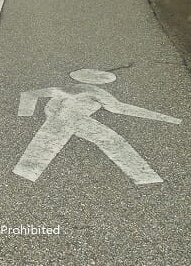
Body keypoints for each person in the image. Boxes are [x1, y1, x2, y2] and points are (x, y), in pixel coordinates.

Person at [14, 69, 181, 184]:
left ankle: (25, 173)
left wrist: (25, 113)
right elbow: (118, 108)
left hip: (58, 114)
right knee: (110, 139)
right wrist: (165, 118)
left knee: (46, 142)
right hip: (69, 116)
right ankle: (144, 176)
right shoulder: (96, 92)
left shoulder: (69, 88)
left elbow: (30, 94)